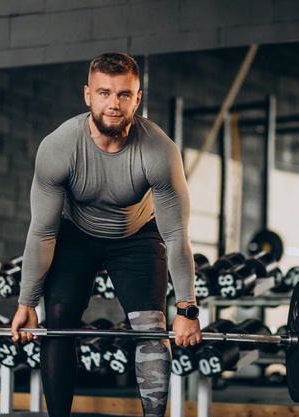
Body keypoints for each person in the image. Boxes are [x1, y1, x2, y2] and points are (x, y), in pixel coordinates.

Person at [10, 52, 202, 417]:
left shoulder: (159, 151)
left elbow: (176, 234)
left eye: (124, 94)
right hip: (75, 235)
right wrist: (26, 302)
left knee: (151, 328)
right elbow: (43, 231)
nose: (114, 104)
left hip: (137, 236)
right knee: (60, 320)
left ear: (138, 98)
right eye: (104, 93)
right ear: (87, 95)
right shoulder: (59, 147)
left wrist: (187, 309)